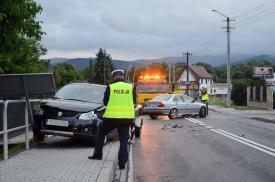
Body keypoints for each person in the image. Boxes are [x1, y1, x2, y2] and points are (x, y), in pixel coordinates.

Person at [88, 69, 136, 170]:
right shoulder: (131, 87)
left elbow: (105, 102)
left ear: (114, 77)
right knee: (124, 140)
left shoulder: (110, 87)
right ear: (123, 76)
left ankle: (98, 155)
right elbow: (134, 101)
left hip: (112, 117)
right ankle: (122, 164)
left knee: (101, 133)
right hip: (127, 117)